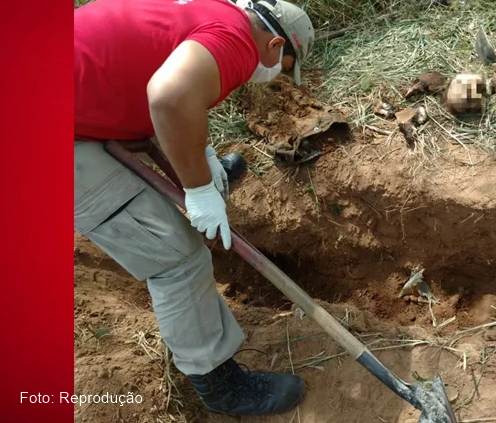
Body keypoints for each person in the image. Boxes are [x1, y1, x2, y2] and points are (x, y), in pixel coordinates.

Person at [74, 0, 315, 416]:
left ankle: (204, 178)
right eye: (284, 64)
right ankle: (219, 384)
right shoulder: (238, 43)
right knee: (176, 259)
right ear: (275, 45)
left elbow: (148, 74)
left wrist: (199, 162)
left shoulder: (213, 10)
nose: (275, 74)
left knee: (188, 165)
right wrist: (199, 191)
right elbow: (169, 98)